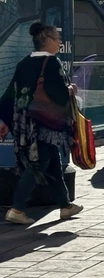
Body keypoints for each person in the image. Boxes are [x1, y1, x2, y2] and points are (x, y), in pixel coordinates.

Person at [0, 23, 83, 225]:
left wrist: (4, 120)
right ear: (47, 41)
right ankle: (17, 208)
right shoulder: (52, 63)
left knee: (52, 161)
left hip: (25, 124)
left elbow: (11, 93)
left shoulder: (24, 62)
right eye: (57, 38)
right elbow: (58, 94)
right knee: (38, 163)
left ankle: (65, 205)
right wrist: (71, 90)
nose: (60, 42)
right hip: (45, 125)